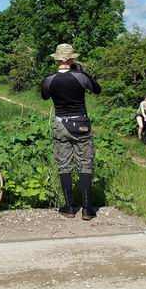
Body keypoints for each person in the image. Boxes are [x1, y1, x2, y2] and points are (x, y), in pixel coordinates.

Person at [41, 43, 101, 220]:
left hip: (61, 124)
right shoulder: (80, 76)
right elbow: (97, 89)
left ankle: (68, 207)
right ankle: (87, 209)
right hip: (81, 123)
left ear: (58, 59)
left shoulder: (49, 79)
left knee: (64, 165)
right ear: (70, 59)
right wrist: (81, 71)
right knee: (85, 164)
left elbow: (44, 96)